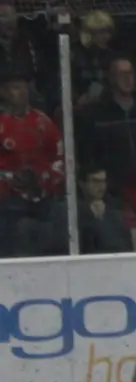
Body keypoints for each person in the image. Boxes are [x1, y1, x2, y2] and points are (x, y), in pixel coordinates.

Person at [0, 67, 62, 256]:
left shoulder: (43, 121)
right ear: (3, 92)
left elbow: (59, 156)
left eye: (24, 88)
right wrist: (7, 180)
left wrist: (49, 178)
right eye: (15, 88)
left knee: (51, 240)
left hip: (43, 195)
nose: (21, 93)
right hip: (9, 200)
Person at [85, 55, 136, 189]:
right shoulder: (100, 114)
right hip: (113, 188)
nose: (127, 78)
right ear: (112, 78)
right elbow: (92, 154)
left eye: (130, 73)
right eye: (122, 74)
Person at [47, 165, 131, 254]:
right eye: (95, 181)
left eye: (103, 181)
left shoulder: (114, 207)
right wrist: (88, 212)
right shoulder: (68, 208)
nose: (101, 186)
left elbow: (123, 243)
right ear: (82, 184)